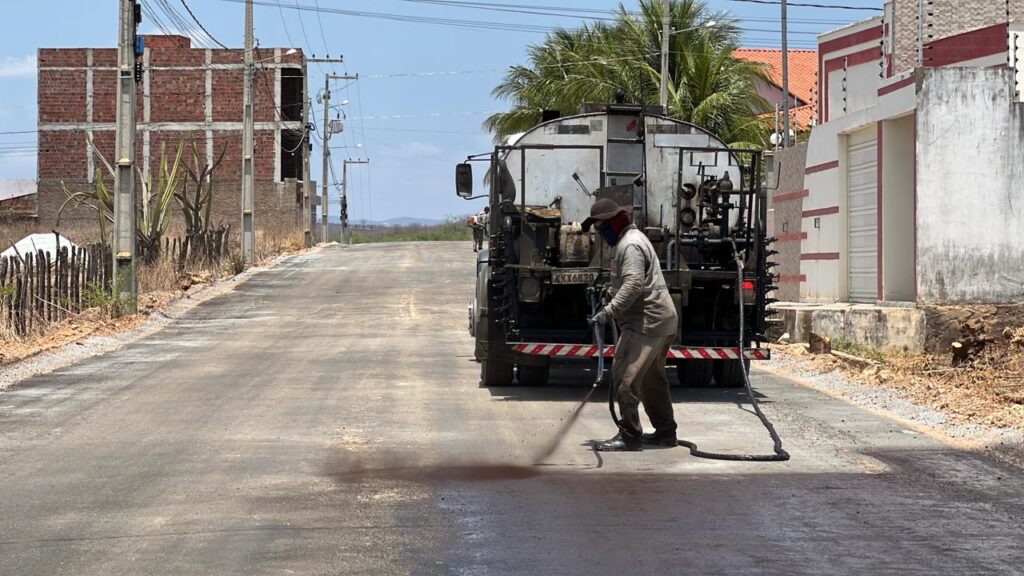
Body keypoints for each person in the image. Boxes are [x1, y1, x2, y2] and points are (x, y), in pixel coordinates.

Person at [582, 198, 679, 451]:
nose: (600, 233)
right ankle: (665, 432)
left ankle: (629, 435)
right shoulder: (631, 240)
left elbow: (634, 284)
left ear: (614, 222)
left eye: (601, 227)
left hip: (646, 321)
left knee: (625, 376)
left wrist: (609, 311)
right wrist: (611, 292)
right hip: (661, 319)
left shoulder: (630, 244)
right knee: (651, 379)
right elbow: (632, 281)